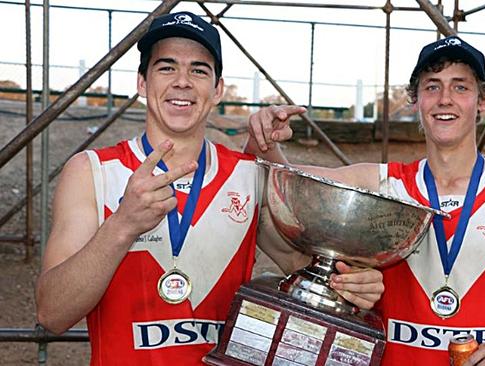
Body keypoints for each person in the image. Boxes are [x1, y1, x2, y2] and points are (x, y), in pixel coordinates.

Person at [35, 12, 383, 365]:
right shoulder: (91, 171)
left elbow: (303, 266)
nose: (182, 82)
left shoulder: (248, 174)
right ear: (142, 82)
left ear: (217, 89)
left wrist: (355, 284)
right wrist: (122, 225)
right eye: (166, 67)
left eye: (199, 70)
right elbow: (53, 313)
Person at [245, 35, 485, 365]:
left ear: (482, 101)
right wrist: (266, 138)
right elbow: (287, 181)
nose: (445, 99)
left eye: (460, 87)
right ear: (415, 101)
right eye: (432, 87)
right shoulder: (382, 182)